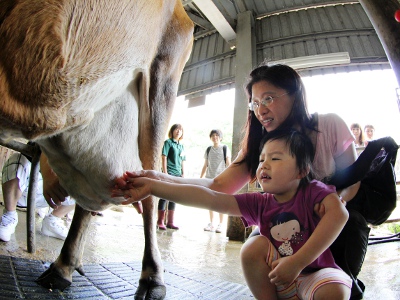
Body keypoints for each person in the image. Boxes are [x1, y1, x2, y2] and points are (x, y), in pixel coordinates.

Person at [118, 64, 369, 299]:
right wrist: (158, 179)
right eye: (255, 103)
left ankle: (344, 279)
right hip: (286, 230)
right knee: (254, 245)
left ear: (294, 94)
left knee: (350, 229)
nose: (260, 110)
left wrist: (332, 203)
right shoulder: (262, 148)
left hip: (330, 226)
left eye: (268, 98)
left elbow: (353, 180)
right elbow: (217, 190)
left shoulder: (329, 125)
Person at [112, 130, 352, 300]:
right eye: (261, 159)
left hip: (315, 275)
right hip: (281, 280)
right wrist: (153, 186)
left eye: (275, 158)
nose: (264, 165)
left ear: (302, 170)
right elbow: (211, 198)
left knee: (336, 291)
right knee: (252, 248)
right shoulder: (260, 203)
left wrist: (297, 263)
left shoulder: (313, 192)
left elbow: (339, 215)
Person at [0, 151, 75, 242]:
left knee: (89, 186)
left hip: (56, 196)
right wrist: (48, 176)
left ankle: (53, 220)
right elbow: (40, 147)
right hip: (26, 186)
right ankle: (9, 216)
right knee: (17, 160)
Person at [200, 129, 231, 233]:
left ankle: (221, 224)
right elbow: (205, 165)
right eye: (213, 135)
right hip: (209, 178)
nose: (215, 137)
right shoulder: (208, 149)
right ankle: (211, 223)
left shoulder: (225, 148)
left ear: (220, 137)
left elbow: (229, 164)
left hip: (221, 179)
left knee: (220, 202)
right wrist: (201, 178)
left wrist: (229, 178)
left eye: (217, 135)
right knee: (210, 202)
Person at [157, 124, 186, 230]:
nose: (178, 131)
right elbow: (163, 157)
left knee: (174, 197)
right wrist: (165, 172)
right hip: (169, 172)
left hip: (178, 174)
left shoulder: (181, 146)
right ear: (172, 131)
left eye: (180, 130)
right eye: (176, 129)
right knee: (164, 196)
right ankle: (160, 221)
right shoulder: (168, 142)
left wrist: (183, 173)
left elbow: (183, 161)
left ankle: (170, 222)